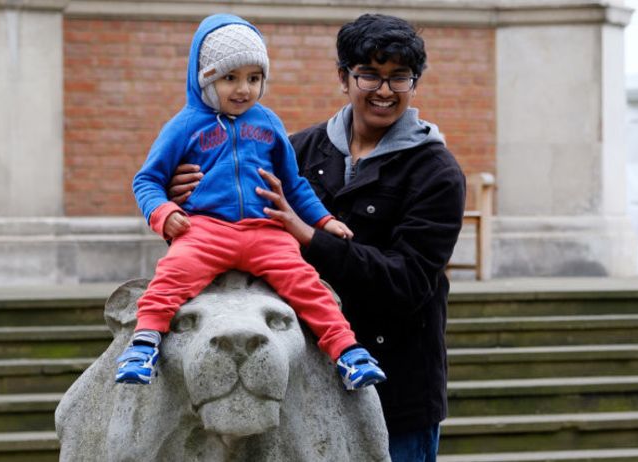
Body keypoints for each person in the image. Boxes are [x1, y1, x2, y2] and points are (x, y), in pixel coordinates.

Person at [168, 14, 466, 462]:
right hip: (301, 390)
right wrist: (184, 205)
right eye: (369, 75)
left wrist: (308, 235)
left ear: (414, 83)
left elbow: (407, 283)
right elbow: (233, 242)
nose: (384, 90)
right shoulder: (297, 148)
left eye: (398, 77)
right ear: (344, 77)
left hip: (396, 390)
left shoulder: (436, 172)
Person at [114, 13, 386, 393]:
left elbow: (293, 184)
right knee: (171, 275)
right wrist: (164, 212)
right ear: (205, 77)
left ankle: (347, 351)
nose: (243, 89)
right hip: (206, 229)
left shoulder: (269, 122)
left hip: (266, 232)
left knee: (306, 283)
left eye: (254, 78)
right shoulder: (184, 124)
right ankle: (143, 345)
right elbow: (147, 180)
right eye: (230, 78)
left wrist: (323, 221)